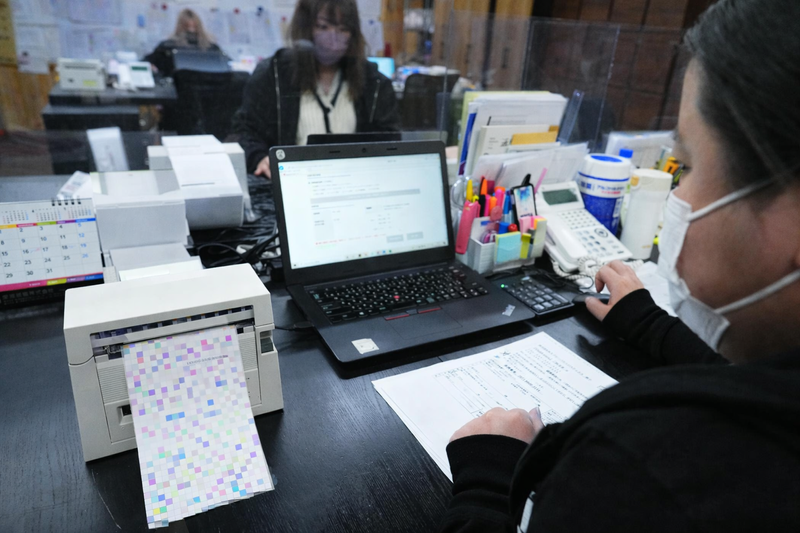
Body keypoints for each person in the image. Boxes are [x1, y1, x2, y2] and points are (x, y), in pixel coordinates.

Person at [439, 0, 800, 531]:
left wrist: (487, 487)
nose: (678, 194)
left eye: (689, 166)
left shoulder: (635, 474)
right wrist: (650, 325)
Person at [231, 0, 400, 178]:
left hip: (354, 182)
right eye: (323, 27)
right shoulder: (273, 74)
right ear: (305, 28)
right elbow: (245, 130)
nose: (333, 39)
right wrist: (259, 158)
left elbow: (390, 139)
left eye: (343, 29)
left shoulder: (373, 81)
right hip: (291, 181)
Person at [144, 9, 224, 77]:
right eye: (188, 27)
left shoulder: (212, 49)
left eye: (194, 27)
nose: (191, 31)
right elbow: (146, 63)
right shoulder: (167, 48)